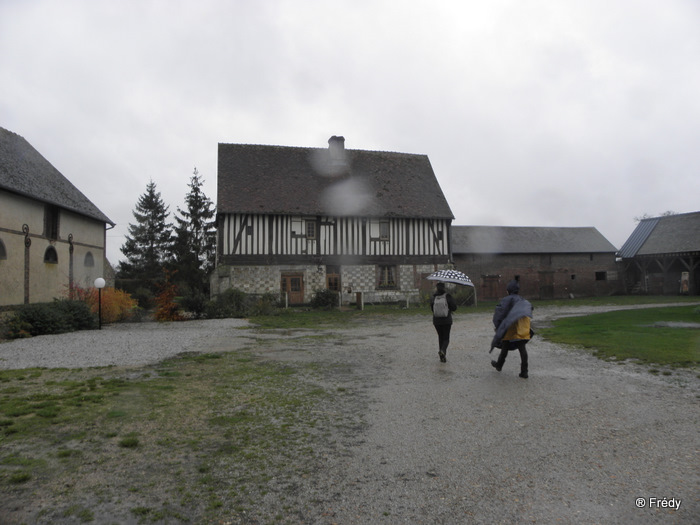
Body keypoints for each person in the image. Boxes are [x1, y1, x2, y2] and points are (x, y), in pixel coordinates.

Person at [490, 279, 533, 378]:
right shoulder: (523, 300)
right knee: (521, 349)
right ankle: (524, 371)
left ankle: (500, 365)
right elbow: (530, 309)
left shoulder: (507, 300)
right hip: (522, 327)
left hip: (510, 327)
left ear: (508, 290)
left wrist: (498, 326)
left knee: (505, 345)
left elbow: (499, 313)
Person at [430, 282, 457, 362]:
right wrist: (449, 309)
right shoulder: (447, 296)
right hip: (446, 320)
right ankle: (443, 351)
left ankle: (442, 357)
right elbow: (454, 307)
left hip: (436, 320)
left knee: (440, 337)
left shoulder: (434, 297)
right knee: (446, 338)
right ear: (444, 288)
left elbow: (432, 309)